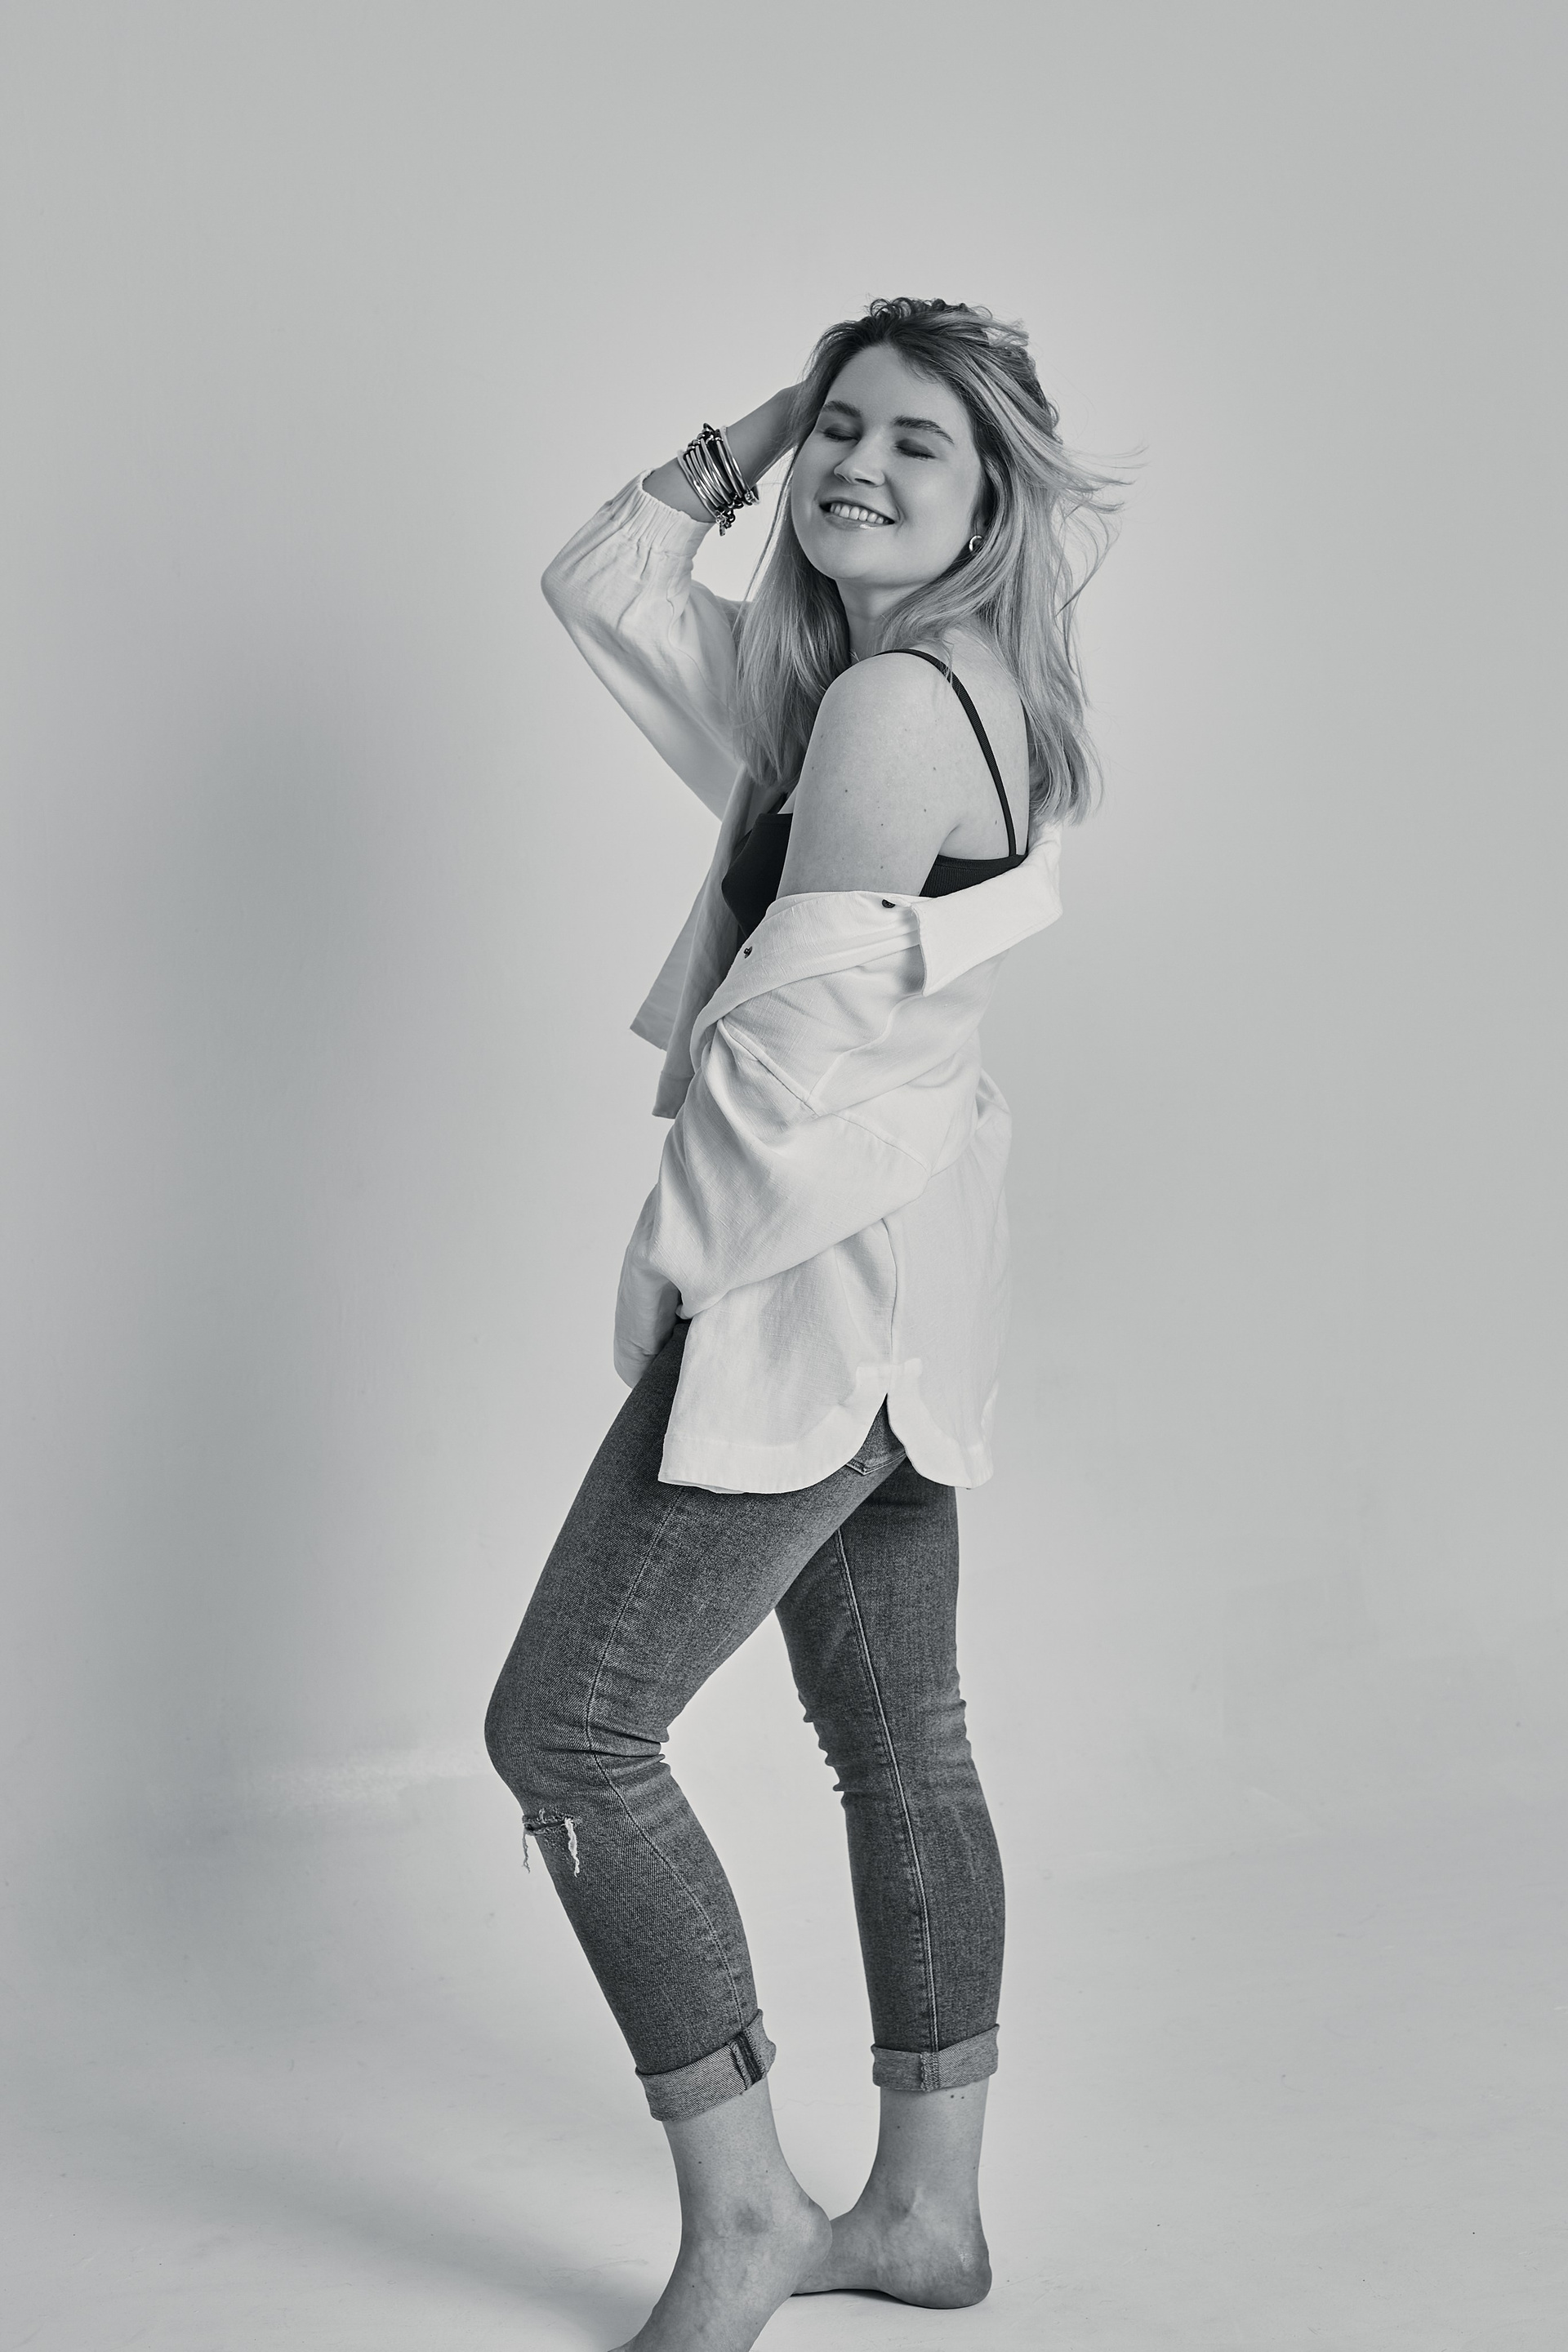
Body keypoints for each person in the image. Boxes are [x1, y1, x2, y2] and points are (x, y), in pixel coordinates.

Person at [485, 296, 1120, 2352]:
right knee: (899, 1736)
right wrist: (768, 423)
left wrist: (671, 1262)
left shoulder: (884, 715)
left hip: (807, 1274)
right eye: (838, 428)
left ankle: (748, 2214)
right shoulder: (892, 684)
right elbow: (602, 587)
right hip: (913, 1279)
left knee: (568, 1734)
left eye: (916, 445)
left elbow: (793, 1062)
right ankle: (925, 2216)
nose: (854, 464)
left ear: (994, 497)